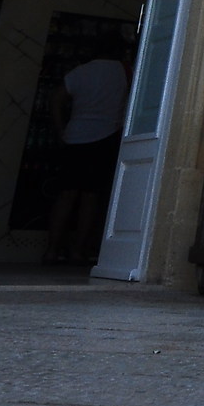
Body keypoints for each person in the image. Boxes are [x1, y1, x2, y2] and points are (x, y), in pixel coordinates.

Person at [43, 55, 129, 265]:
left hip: (75, 137)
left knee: (66, 195)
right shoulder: (125, 72)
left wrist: (60, 128)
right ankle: (78, 250)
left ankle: (51, 250)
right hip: (106, 136)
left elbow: (56, 97)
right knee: (91, 198)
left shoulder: (81, 71)